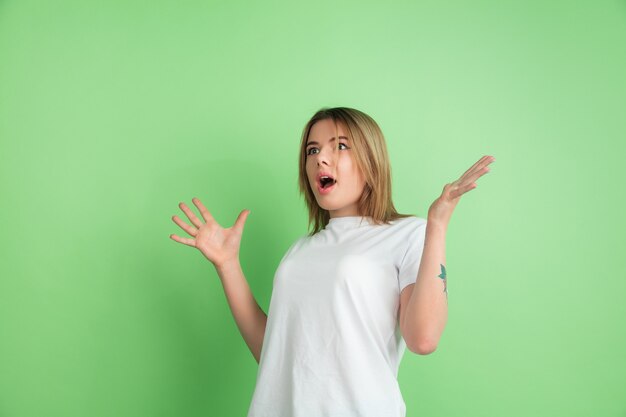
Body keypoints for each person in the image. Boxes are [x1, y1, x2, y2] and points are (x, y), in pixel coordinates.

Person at [170, 107, 495, 417]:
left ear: (371, 160)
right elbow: (273, 355)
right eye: (312, 150)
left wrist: (437, 225)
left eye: (340, 146)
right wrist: (228, 265)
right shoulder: (299, 251)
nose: (320, 158)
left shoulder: (406, 234)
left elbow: (423, 338)